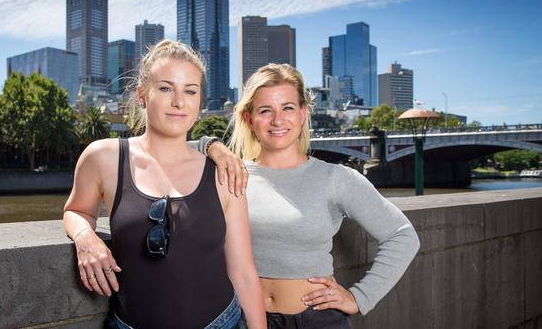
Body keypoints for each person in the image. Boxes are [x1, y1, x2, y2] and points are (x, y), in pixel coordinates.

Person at [63, 40, 266, 329]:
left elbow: (244, 273)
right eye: (166, 88)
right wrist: (85, 238)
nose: (179, 102)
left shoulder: (223, 172)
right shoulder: (103, 158)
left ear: (200, 100)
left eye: (190, 91)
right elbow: (76, 211)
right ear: (142, 94)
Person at [202, 63, 420, 328]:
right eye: (265, 110)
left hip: (317, 321)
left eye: (288, 108)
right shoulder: (231, 174)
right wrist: (211, 146)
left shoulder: (335, 178)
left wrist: (359, 296)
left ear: (303, 113)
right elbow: (166, 150)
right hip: (244, 321)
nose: (277, 120)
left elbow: (403, 235)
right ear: (249, 118)